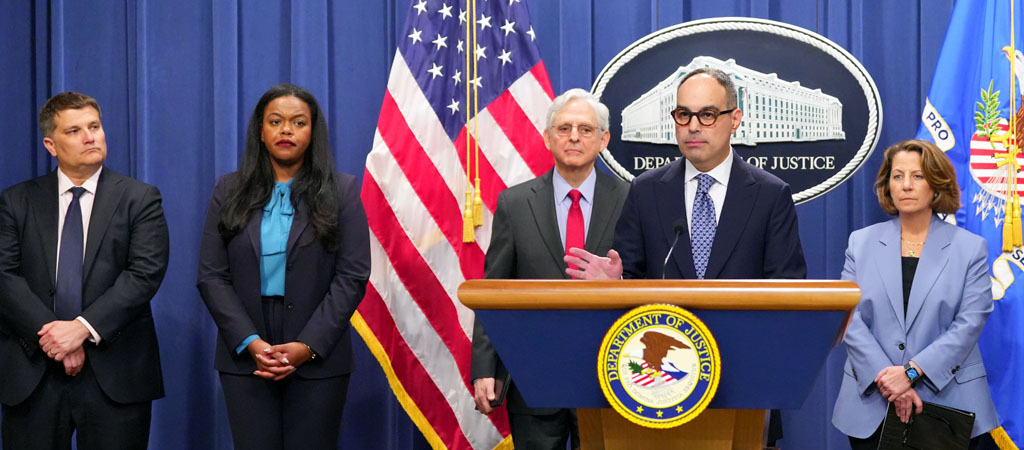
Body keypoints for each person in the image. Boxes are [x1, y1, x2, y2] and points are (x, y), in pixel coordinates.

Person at [565, 67, 805, 443]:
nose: (693, 126)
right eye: (683, 115)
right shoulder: (646, 192)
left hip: (740, 386)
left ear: (734, 120)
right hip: (656, 389)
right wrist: (618, 284)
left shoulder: (770, 195)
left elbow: (788, 288)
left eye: (707, 115)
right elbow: (633, 274)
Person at [196, 83, 370, 450]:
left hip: (319, 351)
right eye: (276, 121)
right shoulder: (228, 190)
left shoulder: (342, 191)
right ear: (261, 131)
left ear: (313, 132)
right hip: (246, 353)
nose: (286, 130)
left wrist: (307, 346)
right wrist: (251, 342)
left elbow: (352, 277)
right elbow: (211, 275)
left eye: (298, 122)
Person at [0, 92, 170, 449]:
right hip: (34, 373)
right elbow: (4, 276)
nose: (90, 137)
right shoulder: (16, 201)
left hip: (115, 372)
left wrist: (81, 329)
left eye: (94, 126)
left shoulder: (140, 198)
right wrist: (53, 339)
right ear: (51, 144)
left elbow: (144, 273)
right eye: (75, 130)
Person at [471, 88, 630, 449]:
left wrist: (619, 280)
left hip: (609, 376)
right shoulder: (514, 203)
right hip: (534, 377)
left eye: (586, 129)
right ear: (547, 137)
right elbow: (494, 290)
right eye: (564, 128)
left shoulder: (630, 199)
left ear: (603, 139)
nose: (574, 136)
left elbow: (650, 281)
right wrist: (484, 368)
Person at [833, 139, 999, 449]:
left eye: (918, 176)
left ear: (937, 185)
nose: (906, 185)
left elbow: (970, 322)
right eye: (897, 176)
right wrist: (889, 380)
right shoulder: (861, 242)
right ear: (887, 184)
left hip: (948, 401)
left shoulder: (969, 247)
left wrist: (911, 372)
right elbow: (849, 316)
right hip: (872, 404)